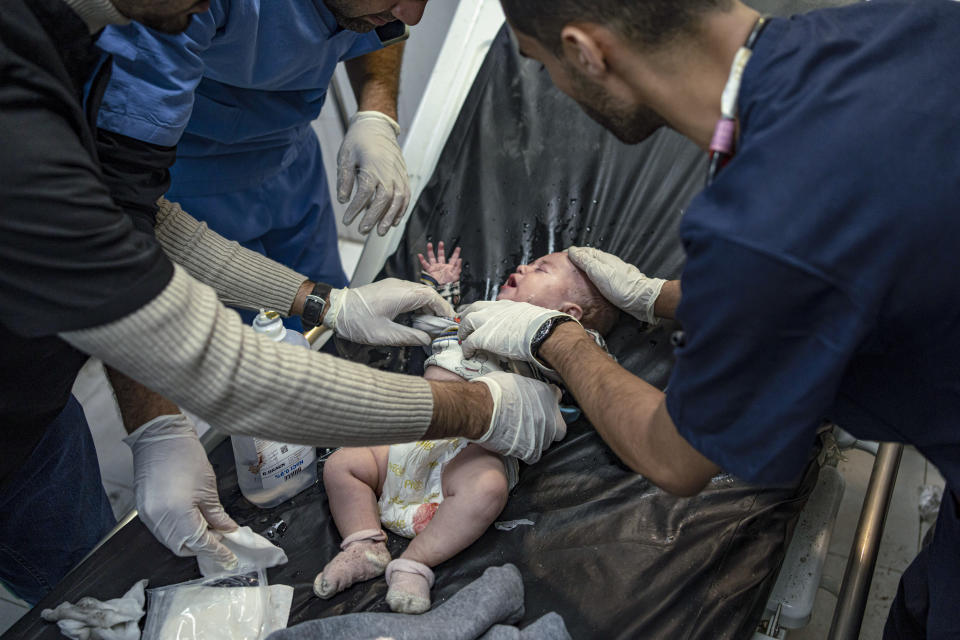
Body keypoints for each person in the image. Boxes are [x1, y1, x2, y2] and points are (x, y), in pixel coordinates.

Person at [0, 0, 564, 605]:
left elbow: (137, 217)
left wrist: (324, 303)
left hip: (33, 412)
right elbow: (217, 363)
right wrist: (477, 408)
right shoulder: (22, 127)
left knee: (82, 586)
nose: (212, 15)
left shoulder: (53, 45)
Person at [457, 1, 960, 637]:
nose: (554, 83)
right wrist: (653, 296)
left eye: (544, 63)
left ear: (586, 51)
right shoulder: (908, 25)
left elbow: (676, 459)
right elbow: (840, 252)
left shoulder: (760, 223)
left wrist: (555, 338)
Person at [316, 242, 618, 613]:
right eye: (529, 263)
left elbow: (588, 369)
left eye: (541, 269)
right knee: (342, 463)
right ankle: (364, 545)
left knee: (487, 486)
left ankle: (414, 564)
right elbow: (440, 322)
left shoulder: (558, 342)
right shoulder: (480, 314)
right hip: (415, 434)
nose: (523, 267)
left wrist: (570, 333)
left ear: (568, 313)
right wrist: (440, 289)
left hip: (473, 451)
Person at [94, 0, 425, 331]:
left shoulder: (371, 7)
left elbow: (378, 28)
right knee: (258, 341)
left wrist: (377, 114)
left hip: (293, 168)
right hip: (192, 188)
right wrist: (328, 306)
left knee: (333, 319)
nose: (412, 14)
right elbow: (127, 203)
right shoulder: (183, 10)